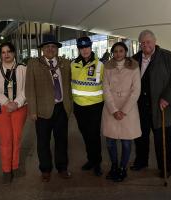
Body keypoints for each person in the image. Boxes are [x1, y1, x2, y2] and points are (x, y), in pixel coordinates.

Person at [130, 30, 171, 178]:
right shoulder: (134, 59)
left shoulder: (168, 58)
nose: (145, 45)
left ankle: (165, 168)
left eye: (148, 42)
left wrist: (167, 97)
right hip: (141, 107)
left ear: (155, 42)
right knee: (140, 137)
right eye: (142, 42)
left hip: (163, 109)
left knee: (164, 140)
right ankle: (141, 161)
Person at [25, 34, 72, 182]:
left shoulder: (65, 63)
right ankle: (45, 169)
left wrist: (69, 106)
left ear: (57, 49)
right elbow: (29, 88)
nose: (50, 49)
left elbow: (69, 85)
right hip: (42, 110)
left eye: (53, 46)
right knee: (43, 142)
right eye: (47, 47)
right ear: (42, 49)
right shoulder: (34, 64)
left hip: (61, 109)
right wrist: (32, 110)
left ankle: (62, 167)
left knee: (62, 141)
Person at [0, 42, 28, 184]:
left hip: (20, 107)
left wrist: (17, 102)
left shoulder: (23, 68)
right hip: (0, 107)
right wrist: (7, 103)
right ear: (0, 54)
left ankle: (15, 166)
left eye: (9, 51)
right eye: (3, 52)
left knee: (16, 138)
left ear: (14, 53)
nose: (6, 55)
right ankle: (6, 169)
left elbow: (26, 88)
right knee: (6, 139)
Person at [101, 42, 141, 182]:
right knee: (110, 141)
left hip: (128, 110)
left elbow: (136, 90)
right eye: (116, 51)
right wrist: (113, 110)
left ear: (125, 52)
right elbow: (105, 89)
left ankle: (123, 168)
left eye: (121, 51)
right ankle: (114, 166)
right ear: (112, 52)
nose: (118, 53)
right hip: (110, 109)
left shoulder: (134, 66)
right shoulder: (107, 66)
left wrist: (123, 111)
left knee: (126, 142)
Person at [71, 36, 104, 176]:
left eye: (87, 47)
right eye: (82, 48)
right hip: (79, 106)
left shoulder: (100, 65)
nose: (84, 50)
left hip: (95, 106)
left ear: (91, 47)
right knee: (85, 134)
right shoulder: (72, 65)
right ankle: (91, 160)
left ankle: (97, 163)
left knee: (94, 135)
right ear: (79, 49)